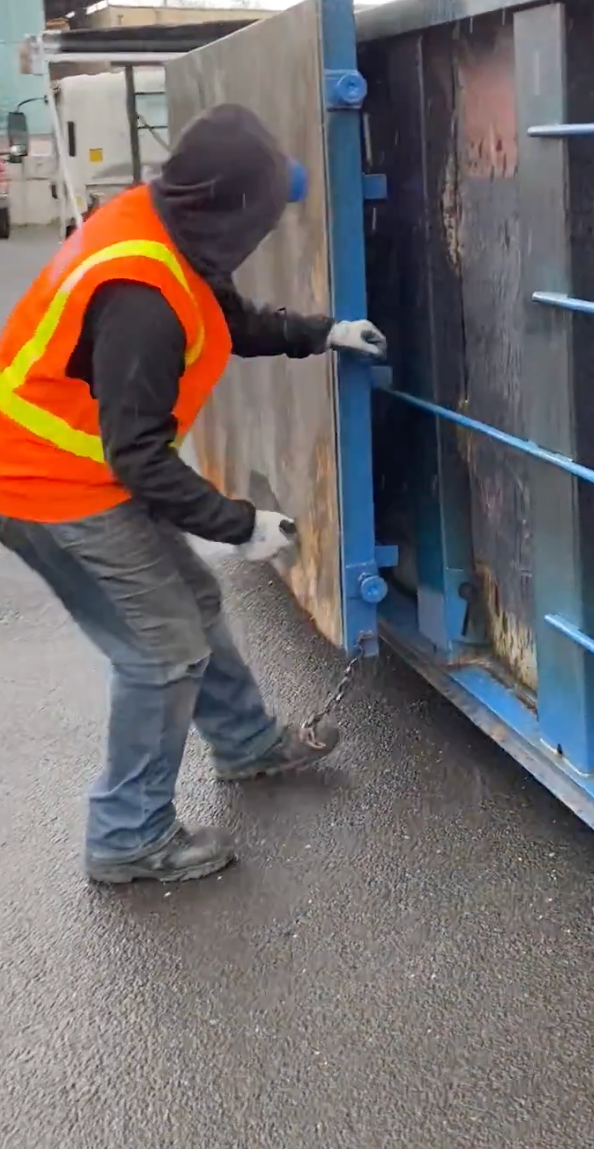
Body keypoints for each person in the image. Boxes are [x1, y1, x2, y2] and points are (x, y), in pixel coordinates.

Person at [0, 104, 387, 885]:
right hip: (44, 486)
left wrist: (321, 332)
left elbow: (225, 317)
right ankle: (128, 837)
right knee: (162, 650)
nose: (268, 230)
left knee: (194, 606)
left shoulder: (170, 223)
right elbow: (138, 455)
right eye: (266, 213)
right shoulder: (139, 294)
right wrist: (239, 524)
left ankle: (247, 746)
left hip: (82, 472)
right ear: (230, 209)